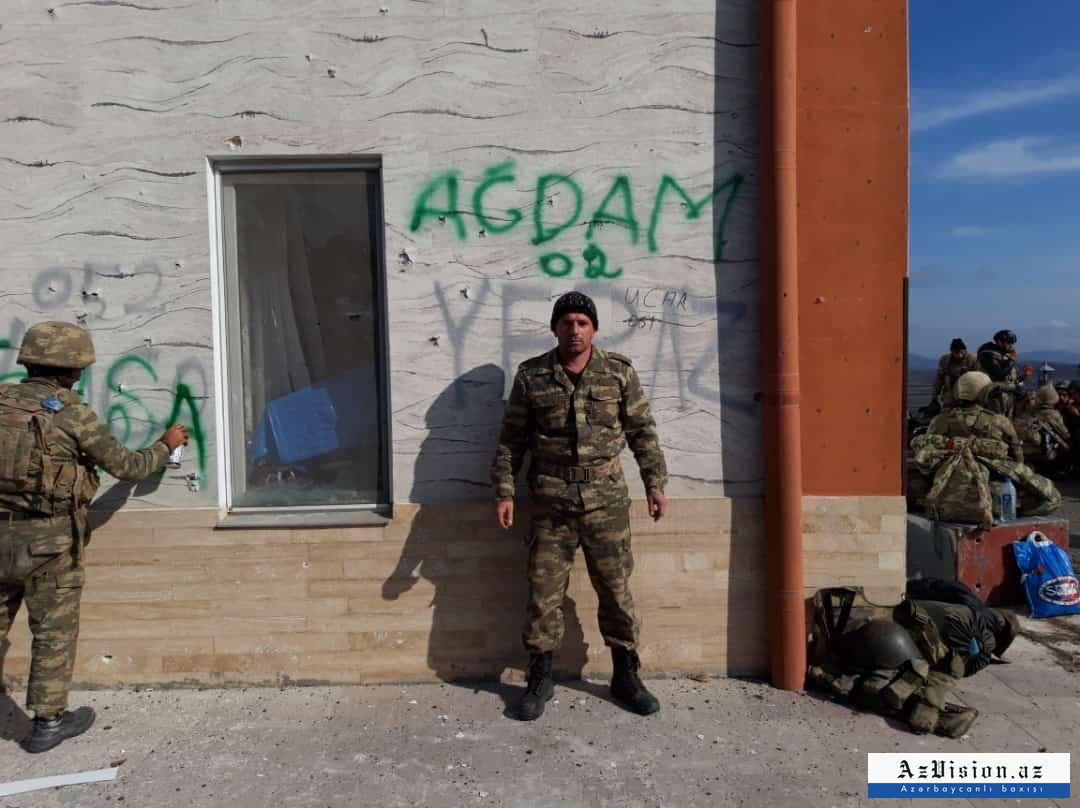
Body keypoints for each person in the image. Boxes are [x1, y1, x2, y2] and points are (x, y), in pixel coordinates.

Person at [0, 322, 188, 753]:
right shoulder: (71, 414)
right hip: (49, 543)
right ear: (74, 371)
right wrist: (165, 445)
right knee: (53, 630)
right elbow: (128, 467)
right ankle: (48, 723)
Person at [491, 292, 668, 721]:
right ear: (555, 328)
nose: (575, 330)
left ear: (594, 329)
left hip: (606, 503)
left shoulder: (618, 373)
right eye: (567, 322)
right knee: (543, 594)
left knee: (616, 590)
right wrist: (504, 491)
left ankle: (626, 675)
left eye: (582, 323)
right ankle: (540, 677)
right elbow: (512, 440)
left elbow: (642, 431)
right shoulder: (532, 376)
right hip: (551, 503)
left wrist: (655, 483)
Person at [916, 371, 1060, 524]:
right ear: (984, 394)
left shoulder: (940, 420)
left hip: (945, 483)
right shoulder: (999, 421)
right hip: (991, 493)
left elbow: (927, 451)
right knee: (1048, 494)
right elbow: (1018, 457)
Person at [975, 330, 1031, 417]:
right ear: (999, 342)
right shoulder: (987, 355)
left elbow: (1008, 380)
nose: (1012, 346)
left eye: (1013, 343)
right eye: (1009, 343)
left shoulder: (1003, 356)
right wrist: (1011, 360)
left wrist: (1022, 377)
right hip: (993, 398)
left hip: (1005, 398)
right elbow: (999, 374)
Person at [931, 338, 978, 408]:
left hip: (969, 394)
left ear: (965, 350)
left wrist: (967, 374)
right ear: (952, 351)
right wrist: (934, 397)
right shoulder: (945, 360)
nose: (959, 355)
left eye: (961, 352)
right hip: (950, 394)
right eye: (956, 352)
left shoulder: (973, 359)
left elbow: (979, 377)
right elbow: (939, 379)